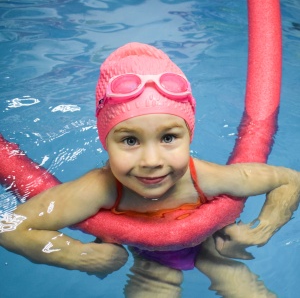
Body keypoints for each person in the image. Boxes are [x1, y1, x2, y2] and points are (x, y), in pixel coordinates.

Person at [0, 42, 299, 297]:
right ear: (105, 142)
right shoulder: (98, 189)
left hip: (212, 244)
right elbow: (9, 228)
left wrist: (264, 228)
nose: (152, 160)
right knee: (159, 282)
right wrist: (80, 256)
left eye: (168, 138)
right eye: (130, 140)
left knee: (238, 282)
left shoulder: (206, 177)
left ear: (189, 137)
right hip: (151, 261)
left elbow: (290, 180)